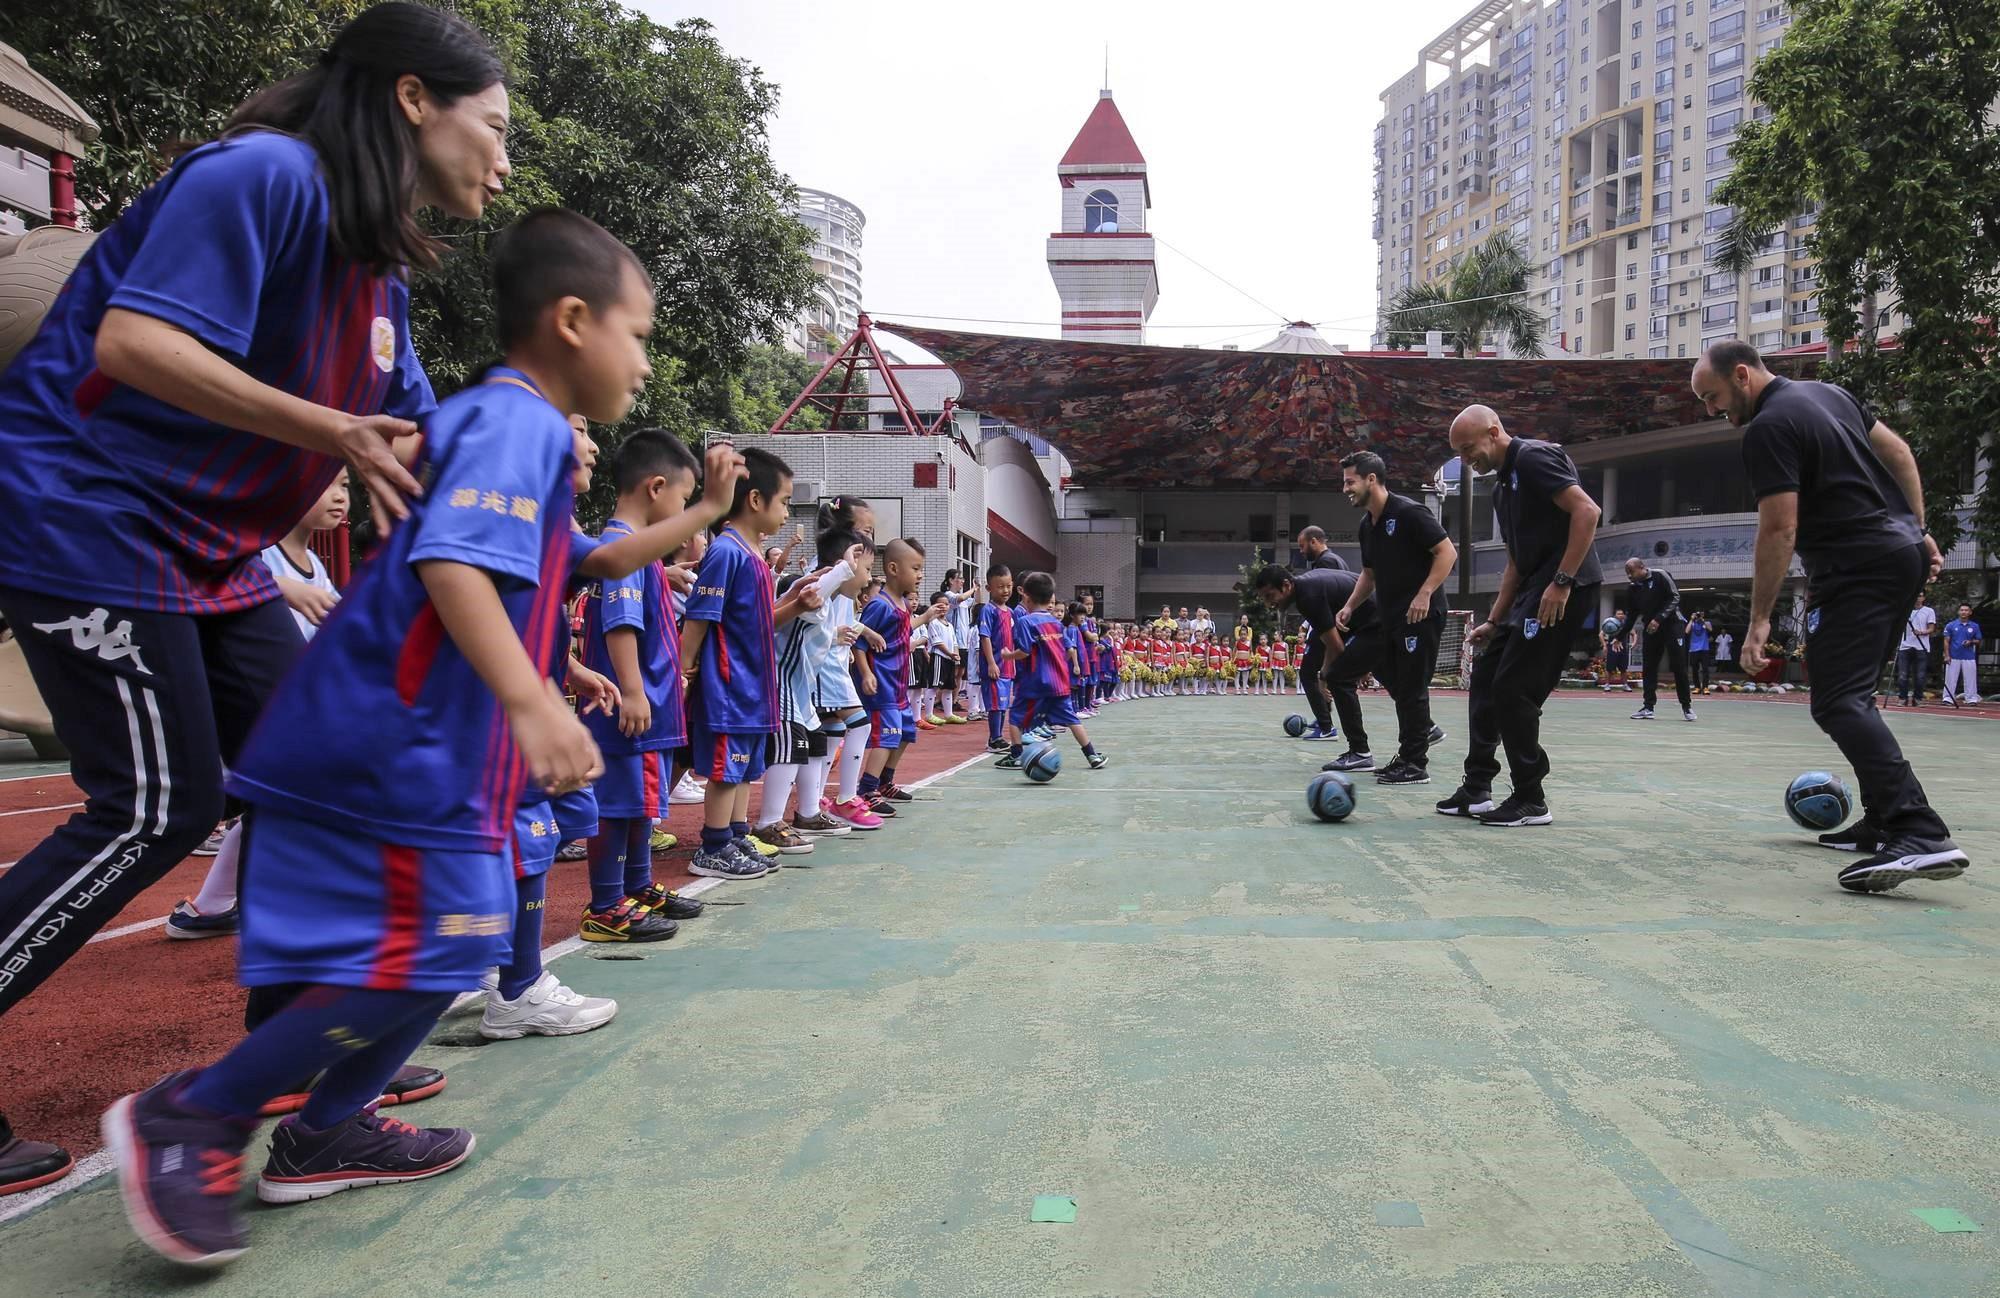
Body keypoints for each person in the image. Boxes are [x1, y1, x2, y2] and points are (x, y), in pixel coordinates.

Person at [0, 3, 509, 1200]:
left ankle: (301, 1097)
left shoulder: (377, 277)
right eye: (492, 127)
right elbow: (132, 343)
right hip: (91, 518)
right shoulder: (260, 176)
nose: (502, 159)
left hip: (211, 559)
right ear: (410, 99)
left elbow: (428, 449)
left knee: (318, 790)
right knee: (154, 807)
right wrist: (326, 431)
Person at [101, 207, 641, 1264]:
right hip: (386, 739)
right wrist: (534, 703)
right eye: (640, 332)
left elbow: (558, 564)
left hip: (430, 752)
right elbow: (452, 561)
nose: (642, 360)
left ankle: (320, 1131)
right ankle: (195, 1111)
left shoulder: (514, 432)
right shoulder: (515, 419)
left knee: (459, 940)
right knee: (428, 946)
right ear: (573, 320)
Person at [1692, 339, 1967, 890]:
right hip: (1895, 557)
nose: (1711, 410)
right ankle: (1883, 820)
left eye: (1713, 396)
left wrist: (1759, 620)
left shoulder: (1769, 427)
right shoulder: (1829, 394)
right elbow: (1901, 453)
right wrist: (1916, 529)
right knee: (1854, 695)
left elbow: (1779, 528)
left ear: (1742, 376)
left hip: (1857, 567)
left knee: (1838, 701)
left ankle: (1918, 830)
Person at [166, 473, 355, 941]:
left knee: (272, 805)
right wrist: (286, 590)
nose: (337, 495)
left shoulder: (313, 562)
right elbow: (212, 571)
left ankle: (210, 908)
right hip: (237, 714)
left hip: (290, 710)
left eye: (346, 485)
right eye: (324, 483)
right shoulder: (257, 555)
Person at [575, 429, 734, 938]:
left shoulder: (638, 554)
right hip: (631, 705)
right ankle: (605, 904)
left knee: (641, 804)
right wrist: (635, 689)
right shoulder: (622, 547)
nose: (684, 510)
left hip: (648, 705)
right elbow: (621, 624)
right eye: (684, 499)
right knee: (618, 805)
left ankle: (636, 884)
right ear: (656, 488)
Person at [1435, 404, 1603, 827]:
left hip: (1565, 588)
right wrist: (1494, 620)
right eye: (1458, 453)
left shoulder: (1532, 458)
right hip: (1533, 589)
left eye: (1468, 448)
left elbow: (1587, 511)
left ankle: (1531, 797)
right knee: (1487, 675)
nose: (1465, 460)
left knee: (1514, 688)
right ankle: (1477, 787)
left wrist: (1562, 582)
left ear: (1494, 432)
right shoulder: (1500, 488)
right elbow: (1515, 561)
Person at [680, 447, 820, 879]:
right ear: (756, 500)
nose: (786, 512)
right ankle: (713, 846)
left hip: (755, 682)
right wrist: (683, 673)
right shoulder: (726, 553)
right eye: (783, 502)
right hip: (729, 682)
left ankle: (735, 834)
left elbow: (758, 620)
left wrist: (795, 604)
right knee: (726, 767)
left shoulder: (753, 557)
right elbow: (700, 619)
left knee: (744, 765)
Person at [1331, 450, 1457, 785]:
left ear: (1371, 479)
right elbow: (1369, 574)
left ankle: (1415, 764)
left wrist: (1425, 592)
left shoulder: (1409, 512)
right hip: (1391, 619)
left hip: (1421, 615)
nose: (1345, 488)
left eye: (1349, 481)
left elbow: (1447, 552)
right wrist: (1350, 605)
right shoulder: (1367, 525)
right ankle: (1410, 750)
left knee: (1413, 687)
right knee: (1399, 684)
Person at [1001, 572, 1108, 769]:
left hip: (1035, 682)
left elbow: (1024, 651)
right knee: (1071, 719)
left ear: (1027, 597)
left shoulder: (1026, 621)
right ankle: (1092, 755)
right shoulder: (1056, 623)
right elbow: (1068, 649)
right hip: (1059, 682)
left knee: (1015, 716)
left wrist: (1008, 656)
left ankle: (1016, 755)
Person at [1623, 558, 1695, 721]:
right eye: (1627, 573)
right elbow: (1632, 615)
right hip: (1651, 629)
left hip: (1672, 625)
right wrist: (1620, 637)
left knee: (1678, 666)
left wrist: (1658, 619)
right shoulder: (1633, 589)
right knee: (1649, 667)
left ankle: (1686, 707)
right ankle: (1648, 707)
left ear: (1641, 568)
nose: (1629, 576)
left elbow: (1675, 597)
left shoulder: (1660, 575)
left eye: (1631, 572)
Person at [978, 565, 1024, 752]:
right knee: (996, 704)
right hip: (994, 666)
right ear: (989, 588)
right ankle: (994, 738)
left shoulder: (1010, 612)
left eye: (1008, 586)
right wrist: (990, 662)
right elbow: (985, 636)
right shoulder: (988, 610)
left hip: (1007, 667)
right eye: (1000, 587)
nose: (1005, 590)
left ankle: (998, 736)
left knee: (1003, 704)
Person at [1896, 591, 1937, 706]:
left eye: (1920, 595)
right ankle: (1903, 697)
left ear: (1923, 598)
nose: (1917, 598)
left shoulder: (1928, 611)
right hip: (1905, 646)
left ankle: (1918, 698)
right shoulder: (1905, 610)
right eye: (1915, 595)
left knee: (1920, 676)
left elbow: (1931, 628)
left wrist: (1922, 632)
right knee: (1902, 675)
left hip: (1921, 646)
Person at [1942, 604, 1981, 705]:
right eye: (1962, 610)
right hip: (1953, 655)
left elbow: (1978, 640)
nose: (1964, 612)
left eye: (1966, 610)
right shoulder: (1951, 625)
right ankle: (1948, 698)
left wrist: (1971, 642)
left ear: (1970, 612)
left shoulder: (1974, 626)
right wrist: (1947, 655)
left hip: (1969, 656)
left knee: (1970, 679)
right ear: (1959, 612)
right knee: (1950, 678)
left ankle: (1971, 698)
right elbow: (1946, 641)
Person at [1599, 607, 1632, 692]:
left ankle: (1625, 685)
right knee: (1609, 668)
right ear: (1615, 615)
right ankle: (1607, 685)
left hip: (1623, 648)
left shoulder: (1626, 624)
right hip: (1612, 648)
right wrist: (1604, 645)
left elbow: (1633, 633)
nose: (1620, 615)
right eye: (1618, 614)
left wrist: (1634, 643)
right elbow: (1601, 634)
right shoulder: (1610, 623)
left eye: (1622, 614)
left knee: (1624, 668)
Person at [1686, 610, 1714, 695]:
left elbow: (1710, 629)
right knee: (1695, 669)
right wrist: (1691, 619)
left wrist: (1702, 620)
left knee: (1705, 669)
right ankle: (1697, 687)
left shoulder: (1706, 623)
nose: (1698, 616)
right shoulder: (1693, 623)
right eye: (1697, 615)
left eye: (1700, 614)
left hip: (1704, 648)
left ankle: (1705, 687)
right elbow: (1686, 631)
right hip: (1694, 649)